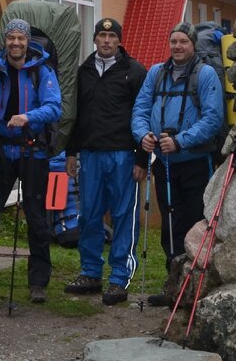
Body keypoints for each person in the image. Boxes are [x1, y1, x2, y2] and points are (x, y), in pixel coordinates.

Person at [0, 18, 62, 305]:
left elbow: (54, 107)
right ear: (4, 41)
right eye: (11, 38)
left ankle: (38, 283)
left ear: (28, 41)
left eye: (21, 38)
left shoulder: (43, 71)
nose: (15, 43)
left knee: (37, 218)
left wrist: (28, 117)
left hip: (34, 152)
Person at [130, 21, 224, 306]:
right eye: (173, 42)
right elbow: (140, 109)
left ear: (193, 44)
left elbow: (213, 118)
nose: (178, 46)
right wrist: (142, 135)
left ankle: (194, 287)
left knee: (195, 223)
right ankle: (173, 286)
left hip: (195, 162)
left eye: (183, 41)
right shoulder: (156, 73)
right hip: (165, 163)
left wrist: (181, 140)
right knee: (170, 225)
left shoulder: (205, 74)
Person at [62, 18, 148, 305]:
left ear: (119, 41)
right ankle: (90, 272)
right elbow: (77, 113)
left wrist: (141, 158)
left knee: (124, 215)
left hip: (123, 154)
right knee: (89, 214)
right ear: (95, 39)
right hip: (90, 154)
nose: (107, 40)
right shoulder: (83, 71)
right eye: (102, 35)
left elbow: (144, 115)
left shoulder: (134, 72)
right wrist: (71, 152)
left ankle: (119, 277)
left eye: (112, 36)